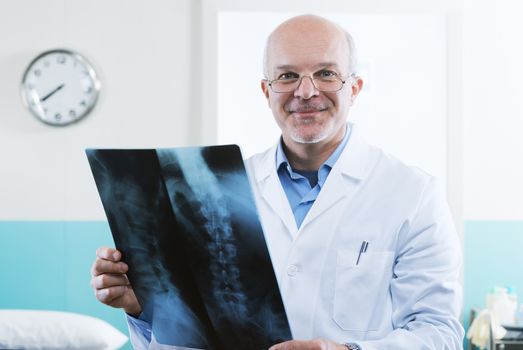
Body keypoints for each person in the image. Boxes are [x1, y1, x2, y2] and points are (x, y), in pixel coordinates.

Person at [91, 14, 464, 349]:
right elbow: (191, 342)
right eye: (286, 76)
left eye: (326, 73)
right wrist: (143, 310)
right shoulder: (225, 188)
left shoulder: (413, 194)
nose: (305, 92)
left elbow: (439, 333)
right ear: (266, 91)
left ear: (355, 87)